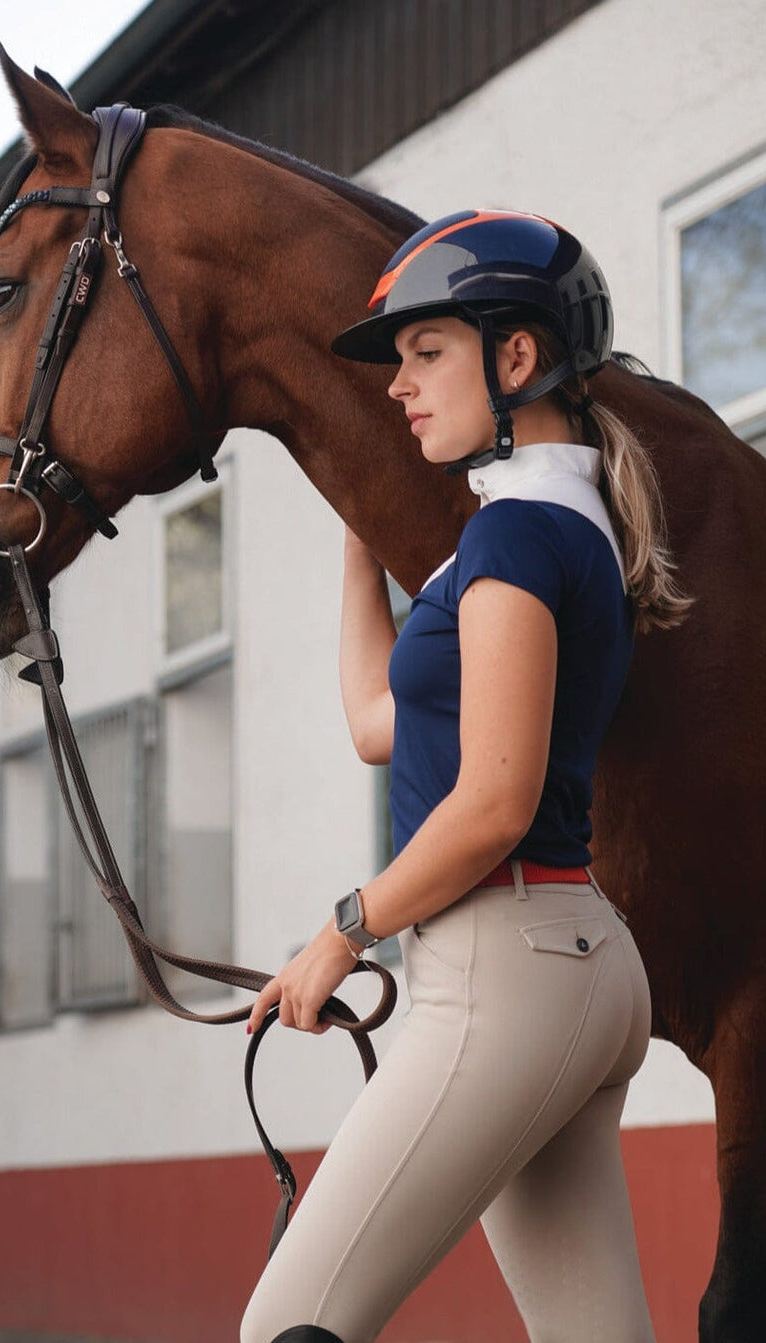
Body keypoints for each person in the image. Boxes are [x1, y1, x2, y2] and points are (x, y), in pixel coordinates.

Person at [241, 209, 691, 1343]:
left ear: (518, 356)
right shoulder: (549, 524)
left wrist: (343, 929)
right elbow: (378, 723)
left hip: (503, 966)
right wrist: (355, 541)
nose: (398, 384)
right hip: (578, 964)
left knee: (288, 1326)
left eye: (424, 351)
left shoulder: (513, 538)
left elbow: (491, 800)